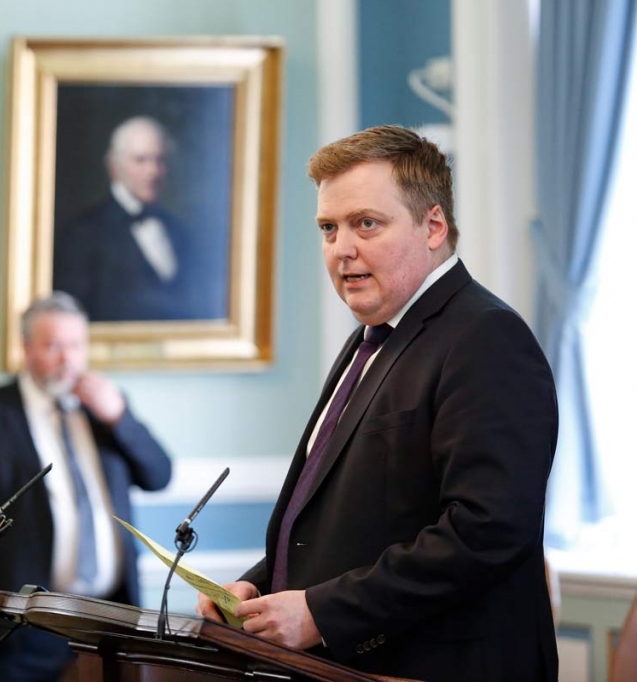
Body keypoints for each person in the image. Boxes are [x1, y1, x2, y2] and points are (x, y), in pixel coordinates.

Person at [196, 125, 559, 681]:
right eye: (328, 228)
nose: (342, 249)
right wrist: (259, 588)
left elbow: (486, 531)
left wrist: (322, 612)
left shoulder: (485, 338)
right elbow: (352, 524)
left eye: (367, 223)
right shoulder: (371, 338)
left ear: (433, 225)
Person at [0, 292, 173, 681]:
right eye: (53, 346)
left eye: (77, 345)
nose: (68, 359)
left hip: (108, 623)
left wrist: (120, 418)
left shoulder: (105, 408)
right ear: (27, 349)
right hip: (18, 633)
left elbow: (159, 476)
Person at [53, 115, 224, 322]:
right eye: (140, 160)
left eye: (159, 160)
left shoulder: (178, 230)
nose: (152, 171)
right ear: (114, 167)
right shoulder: (84, 233)